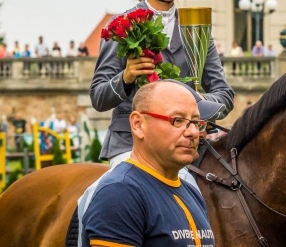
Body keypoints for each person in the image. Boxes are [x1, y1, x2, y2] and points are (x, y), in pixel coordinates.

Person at [90, 0, 234, 168]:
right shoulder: (121, 27)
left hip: (186, 146)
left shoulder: (197, 31)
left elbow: (224, 96)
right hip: (131, 143)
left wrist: (198, 106)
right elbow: (98, 97)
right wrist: (125, 78)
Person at [81, 80, 218, 246]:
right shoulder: (119, 193)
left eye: (196, 122)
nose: (193, 132)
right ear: (138, 124)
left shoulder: (191, 192)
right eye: (177, 120)